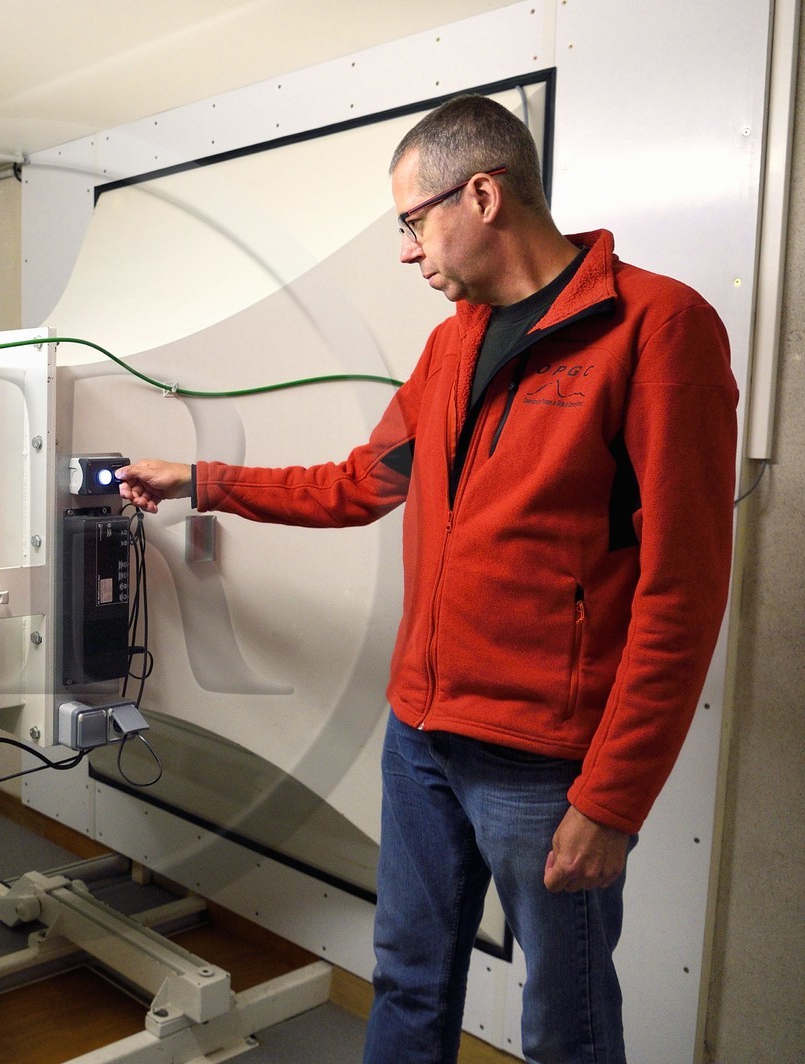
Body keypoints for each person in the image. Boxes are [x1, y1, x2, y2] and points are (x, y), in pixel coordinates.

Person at [116, 94, 737, 1063]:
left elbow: (682, 589)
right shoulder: (454, 340)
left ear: (481, 193)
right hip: (421, 737)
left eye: (411, 219)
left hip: (543, 760)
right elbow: (364, 482)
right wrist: (203, 481)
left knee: (564, 1022)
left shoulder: (655, 328)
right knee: (406, 977)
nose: (407, 249)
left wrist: (612, 798)